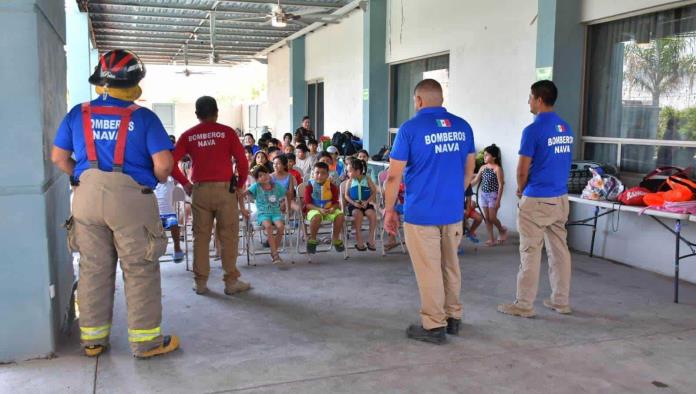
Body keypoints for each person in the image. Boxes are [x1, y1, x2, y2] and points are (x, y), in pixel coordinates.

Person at [51, 49, 179, 358]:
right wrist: (151, 180)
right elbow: (164, 165)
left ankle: (93, 341)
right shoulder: (144, 118)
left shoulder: (77, 114)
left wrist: (81, 178)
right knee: (139, 269)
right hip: (131, 201)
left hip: (85, 199)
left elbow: (58, 157)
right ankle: (146, 343)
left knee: (93, 268)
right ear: (135, 82)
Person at [384, 79, 476, 344]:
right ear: (441, 99)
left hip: (421, 214)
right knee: (451, 265)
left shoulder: (410, 129)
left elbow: (393, 177)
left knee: (429, 270)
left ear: (419, 100)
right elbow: (469, 170)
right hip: (452, 212)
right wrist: (452, 193)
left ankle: (434, 325)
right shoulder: (462, 126)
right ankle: (453, 318)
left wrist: (389, 210)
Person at [497, 80, 574, 318]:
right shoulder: (565, 127)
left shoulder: (533, 130)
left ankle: (523, 304)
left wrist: (521, 189)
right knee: (560, 251)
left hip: (538, 199)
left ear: (539, 100)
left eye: (530, 97)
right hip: (560, 198)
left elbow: (522, 170)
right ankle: (560, 301)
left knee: (530, 251)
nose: (528, 101)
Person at [171, 96, 249, 296]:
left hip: (200, 191)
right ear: (216, 112)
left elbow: (170, 163)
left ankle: (200, 283)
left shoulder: (188, 135)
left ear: (197, 115)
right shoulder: (227, 132)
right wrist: (240, 185)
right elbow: (242, 162)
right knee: (229, 237)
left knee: (201, 238)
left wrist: (186, 183)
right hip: (225, 191)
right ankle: (231, 282)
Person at [243, 166, 288, 269]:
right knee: (268, 226)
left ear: (269, 173)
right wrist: (242, 206)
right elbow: (243, 194)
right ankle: (275, 255)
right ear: (257, 179)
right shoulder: (256, 186)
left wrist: (285, 205)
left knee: (281, 227)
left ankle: (273, 251)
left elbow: (287, 194)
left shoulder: (276, 185)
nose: (264, 177)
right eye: (260, 176)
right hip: (263, 214)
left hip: (276, 213)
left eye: (265, 173)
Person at [155, 135, 185, 262]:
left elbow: (180, 180)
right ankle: (153, 251)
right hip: (154, 215)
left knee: (173, 222)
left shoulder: (172, 177)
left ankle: (177, 249)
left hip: (169, 214)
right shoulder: (152, 176)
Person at [304, 162, 346, 254]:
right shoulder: (309, 187)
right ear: (313, 173)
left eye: (323, 173)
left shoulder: (332, 187)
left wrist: (333, 209)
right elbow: (307, 204)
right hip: (314, 210)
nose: (319, 175)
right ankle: (312, 239)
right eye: (317, 172)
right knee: (317, 217)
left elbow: (336, 203)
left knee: (340, 215)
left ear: (327, 174)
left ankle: (335, 239)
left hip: (328, 210)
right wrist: (319, 210)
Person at [471, 144, 508, 246]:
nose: (484, 157)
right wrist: (465, 186)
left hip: (493, 196)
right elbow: (475, 180)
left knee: (492, 218)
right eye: (484, 155)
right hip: (483, 195)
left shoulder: (497, 169)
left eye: (487, 155)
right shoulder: (483, 168)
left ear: (494, 157)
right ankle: (491, 239)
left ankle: (502, 229)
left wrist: (498, 201)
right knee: (487, 218)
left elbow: (501, 185)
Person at [344, 159, 378, 251]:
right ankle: (359, 242)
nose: (347, 173)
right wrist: (354, 203)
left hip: (365, 203)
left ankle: (371, 240)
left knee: (372, 215)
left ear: (358, 171)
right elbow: (346, 196)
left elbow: (374, 192)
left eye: (349, 171)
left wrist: (367, 202)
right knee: (357, 216)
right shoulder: (349, 181)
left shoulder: (367, 179)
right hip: (354, 205)